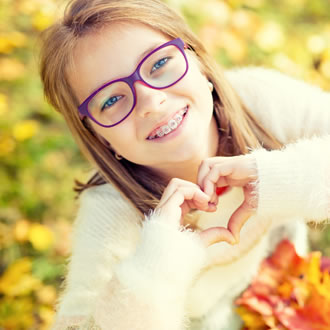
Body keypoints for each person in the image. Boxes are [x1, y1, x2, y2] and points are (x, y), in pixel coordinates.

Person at [39, 0, 330, 328]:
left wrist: (275, 177)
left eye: (160, 62)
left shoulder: (261, 99)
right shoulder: (108, 211)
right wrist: (155, 266)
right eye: (111, 99)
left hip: (294, 289)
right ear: (99, 137)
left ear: (198, 61)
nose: (151, 101)